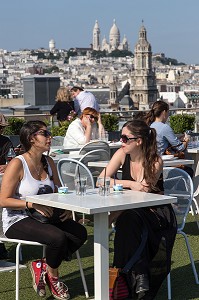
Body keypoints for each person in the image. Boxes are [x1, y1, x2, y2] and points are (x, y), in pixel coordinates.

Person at [0, 120, 87, 300]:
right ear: (32, 138)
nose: (50, 137)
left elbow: (59, 191)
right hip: (17, 219)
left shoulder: (49, 161)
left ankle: (43, 266)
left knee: (80, 232)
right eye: (45, 134)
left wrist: (66, 208)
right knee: (57, 237)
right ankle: (53, 277)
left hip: (46, 216)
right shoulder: (17, 164)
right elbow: (3, 200)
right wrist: (32, 204)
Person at [98, 119, 177, 299]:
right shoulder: (121, 154)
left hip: (156, 213)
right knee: (129, 219)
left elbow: (144, 192)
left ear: (139, 141)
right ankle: (138, 276)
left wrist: (127, 186)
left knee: (128, 220)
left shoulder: (155, 160)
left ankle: (126, 278)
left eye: (125, 138)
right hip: (129, 210)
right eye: (121, 137)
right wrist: (129, 183)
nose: (121, 141)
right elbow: (101, 180)